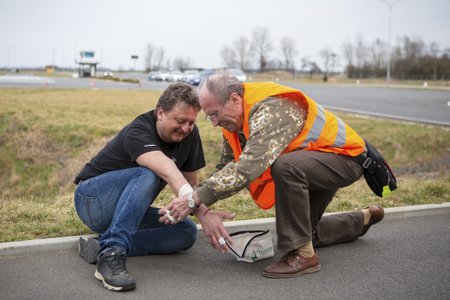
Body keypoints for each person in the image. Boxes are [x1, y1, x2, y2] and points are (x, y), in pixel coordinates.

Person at [159, 74, 385, 279]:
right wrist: (199, 207)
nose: (215, 122)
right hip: (313, 163)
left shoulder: (271, 108)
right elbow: (227, 167)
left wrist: (193, 200)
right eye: (209, 118)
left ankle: (304, 257)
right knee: (306, 233)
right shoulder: (234, 122)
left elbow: (247, 167)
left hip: (346, 159)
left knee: (286, 168)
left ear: (235, 100)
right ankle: (361, 219)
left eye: (215, 114)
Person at [74, 83, 208, 291]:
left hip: (127, 210)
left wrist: (197, 212)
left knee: (186, 231)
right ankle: (111, 254)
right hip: (92, 200)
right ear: (160, 113)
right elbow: (165, 169)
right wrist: (203, 212)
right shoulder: (138, 130)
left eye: (191, 122)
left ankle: (98, 246)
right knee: (148, 172)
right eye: (180, 121)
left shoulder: (191, 135)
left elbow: (190, 183)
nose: (186, 129)